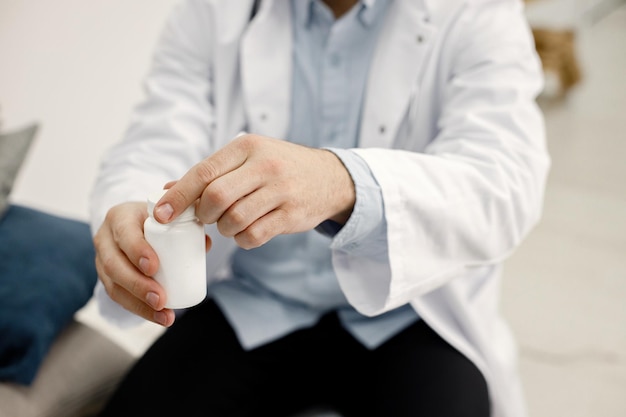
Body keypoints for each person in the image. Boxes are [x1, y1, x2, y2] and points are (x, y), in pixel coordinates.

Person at [89, 0, 550, 416]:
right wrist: (136, 210)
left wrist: (341, 182)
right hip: (254, 301)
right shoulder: (216, 10)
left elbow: (504, 183)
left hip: (411, 314)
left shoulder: (477, 12)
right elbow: (160, 135)